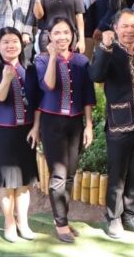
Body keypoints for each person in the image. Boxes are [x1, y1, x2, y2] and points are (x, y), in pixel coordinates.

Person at [90, 10, 134, 239]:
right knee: (117, 174)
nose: (129, 30)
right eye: (125, 26)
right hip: (119, 123)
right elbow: (96, 76)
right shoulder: (108, 51)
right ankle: (114, 217)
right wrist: (104, 47)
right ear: (116, 28)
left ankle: (130, 214)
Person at [33, 18, 95, 244]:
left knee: (69, 174)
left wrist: (89, 125)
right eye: (57, 33)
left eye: (66, 32)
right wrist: (52, 57)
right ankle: (61, 223)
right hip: (52, 123)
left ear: (72, 35)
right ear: (49, 36)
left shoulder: (81, 61)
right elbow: (48, 86)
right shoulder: (41, 59)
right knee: (58, 175)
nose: (62, 37)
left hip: (75, 122)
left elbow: (87, 95)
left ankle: (63, 218)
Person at [0, 27, 40, 243]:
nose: (10, 46)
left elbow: (37, 102)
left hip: (26, 132)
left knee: (24, 183)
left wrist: (36, 127)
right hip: (2, 133)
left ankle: (23, 222)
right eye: (5, 42)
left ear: (21, 44)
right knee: (7, 183)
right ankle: (9, 222)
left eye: (14, 41)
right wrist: (6, 79)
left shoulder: (30, 69)